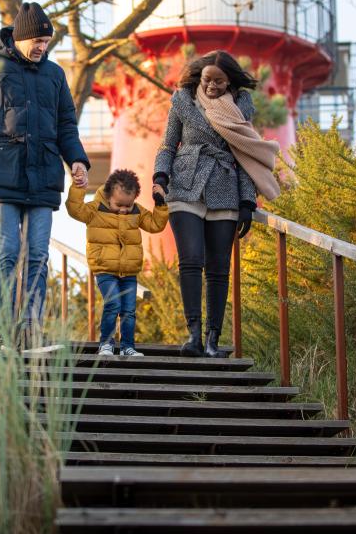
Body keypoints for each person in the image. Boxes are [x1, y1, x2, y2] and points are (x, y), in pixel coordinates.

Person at [0, 2, 90, 333]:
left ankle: (31, 327)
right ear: (18, 37)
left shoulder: (55, 75)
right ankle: (1, 329)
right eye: (37, 42)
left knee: (38, 256)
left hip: (43, 179)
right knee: (8, 253)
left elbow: (66, 125)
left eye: (47, 42)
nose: (43, 47)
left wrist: (78, 160)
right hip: (1, 176)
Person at [153, 50, 280, 358]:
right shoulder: (183, 100)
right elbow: (169, 144)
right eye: (207, 79)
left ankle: (212, 340)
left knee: (219, 269)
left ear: (230, 81)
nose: (211, 86)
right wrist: (160, 176)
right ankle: (193, 335)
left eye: (219, 81)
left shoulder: (240, 107)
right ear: (200, 76)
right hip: (185, 184)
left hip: (226, 185)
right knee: (191, 259)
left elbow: (245, 153)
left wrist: (248, 200)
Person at [66, 168, 168, 356]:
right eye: (119, 204)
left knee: (129, 311)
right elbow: (74, 209)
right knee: (113, 304)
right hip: (105, 269)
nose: (123, 209)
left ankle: (128, 347)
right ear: (107, 195)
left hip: (129, 271)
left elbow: (155, 224)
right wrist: (78, 187)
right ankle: (106, 344)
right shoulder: (95, 209)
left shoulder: (136, 212)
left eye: (128, 206)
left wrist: (160, 204)